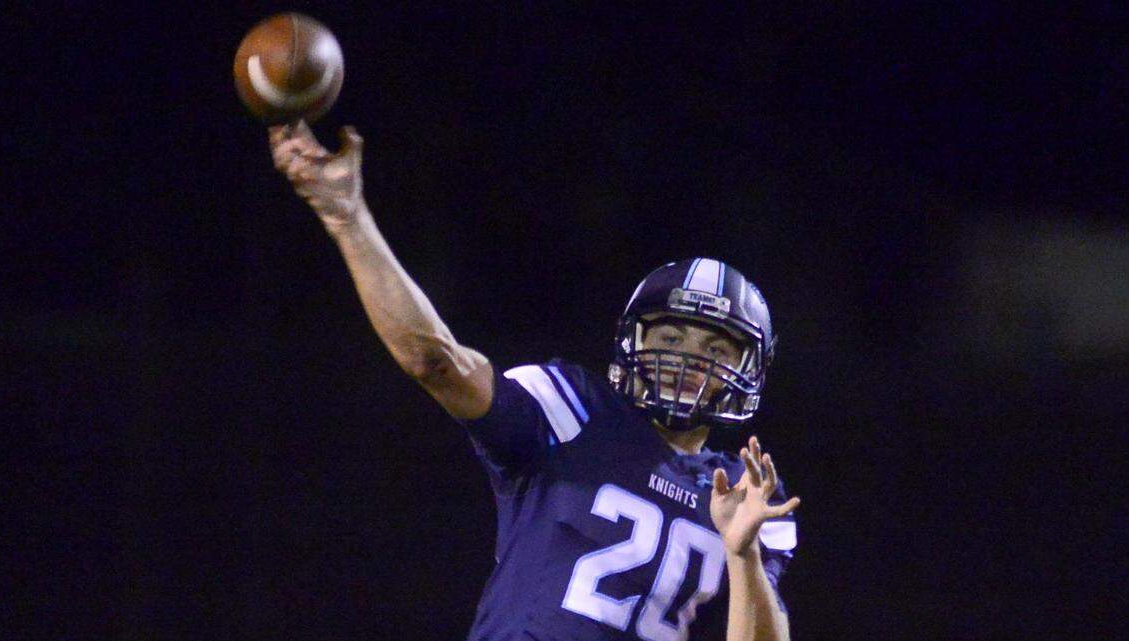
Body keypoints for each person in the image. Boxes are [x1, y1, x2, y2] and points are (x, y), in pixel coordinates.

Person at [269, 121, 801, 641]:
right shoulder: (574, 412)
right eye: (672, 337)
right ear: (633, 341)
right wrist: (347, 218)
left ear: (747, 370)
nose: (689, 360)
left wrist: (742, 551)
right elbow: (436, 361)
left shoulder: (742, 490)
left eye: (715, 348)